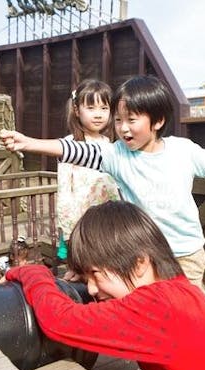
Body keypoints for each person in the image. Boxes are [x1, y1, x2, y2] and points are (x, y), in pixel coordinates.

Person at [0, 75, 205, 299]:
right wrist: (29, 143)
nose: (123, 128)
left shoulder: (183, 150)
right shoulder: (117, 155)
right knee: (154, 308)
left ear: (158, 121)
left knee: (191, 304)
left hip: (186, 253)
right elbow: (74, 150)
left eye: (132, 120)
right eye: (118, 120)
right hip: (144, 255)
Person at [3, 201, 205, 370]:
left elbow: (59, 321)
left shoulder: (157, 308)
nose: (90, 289)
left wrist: (32, 272)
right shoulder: (178, 292)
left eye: (96, 274)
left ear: (140, 264)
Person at [55, 79, 120, 260]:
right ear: (77, 110)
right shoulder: (69, 144)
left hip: (109, 221)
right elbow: (64, 190)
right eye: (91, 108)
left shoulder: (112, 145)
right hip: (82, 222)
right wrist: (68, 231)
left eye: (104, 108)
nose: (98, 114)